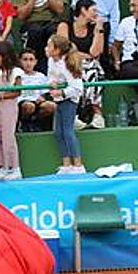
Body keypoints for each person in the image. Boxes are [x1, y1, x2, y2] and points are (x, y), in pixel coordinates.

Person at [58, 0, 109, 129]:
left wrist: (99, 29)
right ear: (83, 10)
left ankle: (97, 114)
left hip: (89, 65)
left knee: (93, 70)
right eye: (93, 10)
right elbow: (64, 49)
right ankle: (74, 114)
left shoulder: (95, 28)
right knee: (78, 70)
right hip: (68, 63)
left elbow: (95, 52)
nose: (96, 14)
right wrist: (80, 55)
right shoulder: (65, 26)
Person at [14, 0, 67, 70]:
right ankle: (36, 69)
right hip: (31, 23)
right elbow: (21, 15)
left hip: (50, 21)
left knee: (52, 32)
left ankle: (56, 68)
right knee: (35, 31)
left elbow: (59, 10)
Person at [45, 35, 87, 174]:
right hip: (59, 101)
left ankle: (78, 165)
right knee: (58, 132)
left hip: (69, 101)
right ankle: (66, 164)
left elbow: (77, 88)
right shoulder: (51, 61)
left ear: (57, 50)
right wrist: (52, 83)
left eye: (49, 46)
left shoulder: (68, 64)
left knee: (68, 132)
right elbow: (51, 76)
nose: (46, 49)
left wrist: (62, 93)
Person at [0, 41, 24, 180]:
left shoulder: (16, 72)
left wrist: (0, 95)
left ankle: (15, 168)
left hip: (9, 105)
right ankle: (2, 167)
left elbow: (17, 92)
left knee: (8, 137)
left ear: (5, 56)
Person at [17, 47, 55, 131]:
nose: (28, 63)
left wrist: (43, 98)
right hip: (22, 103)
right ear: (20, 61)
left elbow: (47, 92)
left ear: (35, 62)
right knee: (29, 106)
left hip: (38, 102)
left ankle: (36, 123)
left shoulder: (40, 76)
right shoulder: (17, 75)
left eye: (31, 60)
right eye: (25, 59)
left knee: (51, 106)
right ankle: (24, 124)